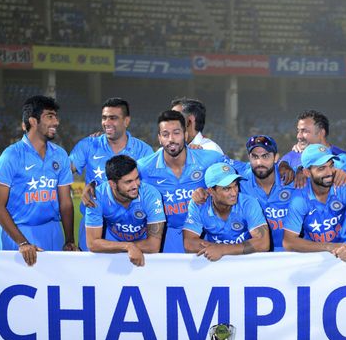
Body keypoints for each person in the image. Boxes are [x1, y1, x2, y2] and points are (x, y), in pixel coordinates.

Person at [0, 95, 76, 266]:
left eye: (56, 117)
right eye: (50, 116)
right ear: (33, 121)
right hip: (19, 233)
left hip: (52, 231)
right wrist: (22, 242)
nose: (56, 122)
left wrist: (69, 240)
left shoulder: (60, 155)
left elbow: (65, 203)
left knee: (54, 288)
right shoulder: (11, 156)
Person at [70, 97, 153, 250]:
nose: (107, 122)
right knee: (90, 274)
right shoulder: (88, 145)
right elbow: (63, 173)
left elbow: (149, 189)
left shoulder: (144, 151)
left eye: (113, 118)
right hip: (94, 225)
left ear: (126, 121)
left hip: (131, 228)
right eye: (104, 118)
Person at [137, 109, 225, 252]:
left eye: (176, 133)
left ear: (185, 134)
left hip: (204, 236)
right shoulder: (143, 167)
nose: (171, 139)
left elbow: (244, 172)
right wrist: (93, 190)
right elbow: (118, 184)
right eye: (165, 134)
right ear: (159, 138)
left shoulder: (210, 159)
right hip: (166, 239)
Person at [283, 144, 346, 262]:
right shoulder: (299, 198)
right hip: (317, 255)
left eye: (331, 165)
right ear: (307, 173)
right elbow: (288, 242)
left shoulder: (344, 186)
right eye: (321, 168)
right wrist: (329, 247)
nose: (329, 172)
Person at [85, 155, 165, 266]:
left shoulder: (150, 194)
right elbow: (92, 243)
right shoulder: (96, 196)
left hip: (140, 243)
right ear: (112, 184)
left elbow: (153, 246)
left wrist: (128, 246)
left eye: (137, 178)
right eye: (128, 182)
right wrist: (127, 246)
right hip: (112, 241)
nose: (135, 185)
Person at [183, 162, 269, 261]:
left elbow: (263, 243)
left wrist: (223, 249)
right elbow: (189, 243)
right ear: (211, 191)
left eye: (235, 185)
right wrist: (217, 249)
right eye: (227, 188)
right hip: (216, 262)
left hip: (246, 262)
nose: (234, 193)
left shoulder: (248, 203)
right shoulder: (199, 204)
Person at [241, 135, 297, 251]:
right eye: (254, 156)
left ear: (276, 158)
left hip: (293, 254)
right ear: (248, 157)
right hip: (257, 255)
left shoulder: (293, 178)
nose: (259, 162)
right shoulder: (240, 182)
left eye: (265, 156)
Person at [279, 110, 346, 169]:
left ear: (321, 133)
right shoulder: (290, 158)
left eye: (305, 131)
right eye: (298, 131)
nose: (298, 136)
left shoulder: (344, 158)